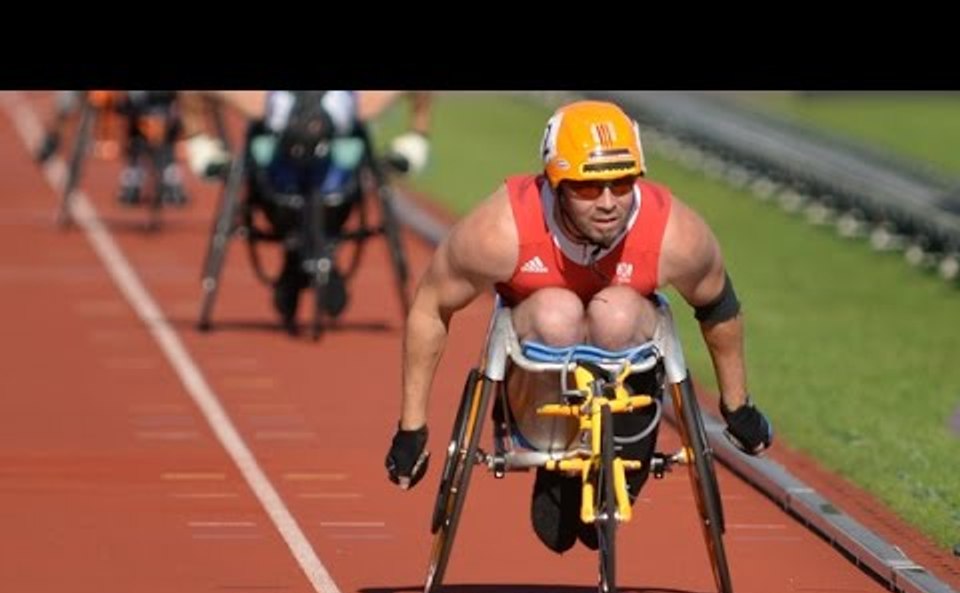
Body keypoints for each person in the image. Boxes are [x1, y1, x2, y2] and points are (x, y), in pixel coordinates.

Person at [384, 99, 773, 553]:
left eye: (622, 183)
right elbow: (431, 306)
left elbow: (719, 306)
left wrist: (737, 405)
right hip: (537, 360)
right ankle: (556, 461)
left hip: (626, 338)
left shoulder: (676, 235)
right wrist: (412, 427)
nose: (608, 203)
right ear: (556, 183)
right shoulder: (500, 230)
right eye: (588, 188)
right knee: (558, 311)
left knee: (615, 313)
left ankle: (630, 444)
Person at [179, 90, 432, 330]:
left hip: (334, 189)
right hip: (280, 190)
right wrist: (200, 147)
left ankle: (311, 256)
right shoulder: (267, 102)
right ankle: (299, 255)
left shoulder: (348, 103)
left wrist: (415, 141)